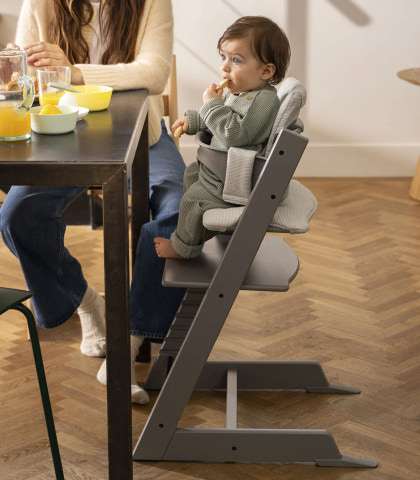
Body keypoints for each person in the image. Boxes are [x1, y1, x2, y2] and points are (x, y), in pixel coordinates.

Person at [0, 0, 186, 404]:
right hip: (65, 136)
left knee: (179, 214)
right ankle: (87, 303)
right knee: (17, 214)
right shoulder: (41, 3)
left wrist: (72, 72)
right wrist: (22, 70)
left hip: (146, 135)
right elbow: (24, 78)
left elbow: (154, 73)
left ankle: (126, 346)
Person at [154, 16, 290, 259]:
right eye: (223, 57)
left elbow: (234, 135)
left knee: (192, 200)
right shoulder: (238, 92)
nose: (225, 67)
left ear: (266, 71)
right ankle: (201, 228)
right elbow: (218, 118)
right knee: (191, 174)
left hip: (234, 178)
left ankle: (184, 247)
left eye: (236, 60)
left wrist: (211, 104)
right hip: (217, 169)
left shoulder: (265, 101)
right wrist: (193, 121)